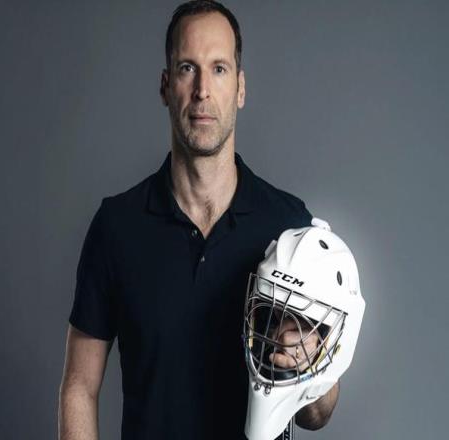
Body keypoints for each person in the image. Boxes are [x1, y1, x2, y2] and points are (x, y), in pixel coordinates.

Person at [58, 1, 339, 439]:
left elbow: (316, 415)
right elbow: (79, 386)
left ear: (240, 89)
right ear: (166, 86)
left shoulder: (289, 226)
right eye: (188, 68)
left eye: (219, 69)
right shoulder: (117, 227)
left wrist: (308, 364)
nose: (202, 90)